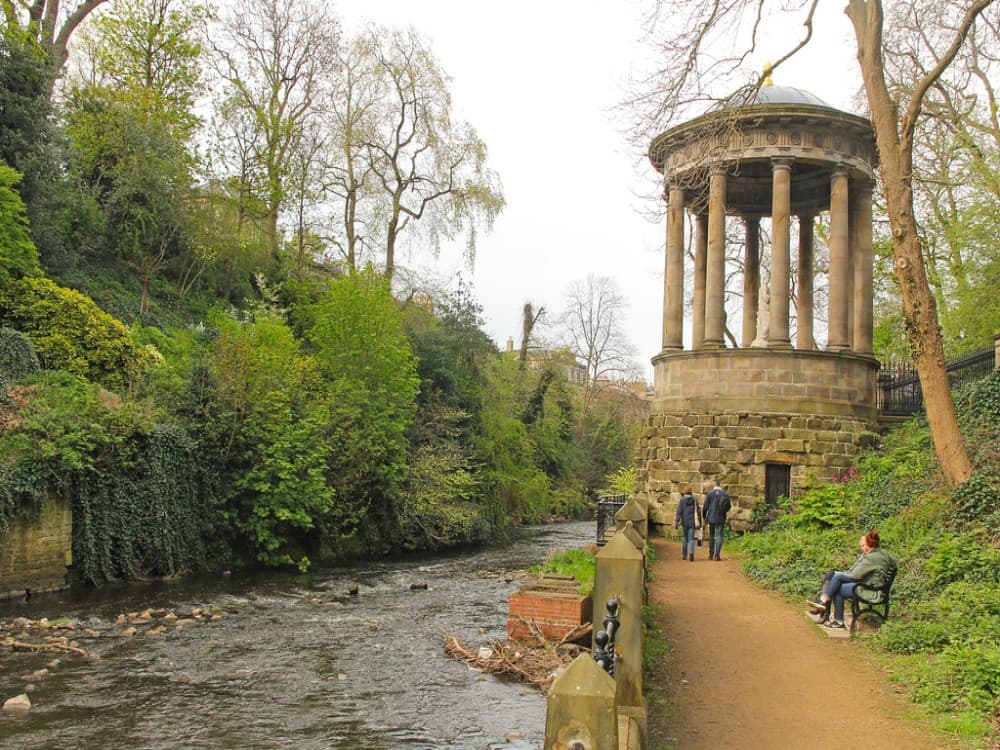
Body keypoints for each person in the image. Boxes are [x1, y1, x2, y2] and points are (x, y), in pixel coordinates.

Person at [807, 530, 897, 630]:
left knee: (837, 581)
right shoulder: (883, 553)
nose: (863, 548)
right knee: (835, 578)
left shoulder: (871, 558)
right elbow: (894, 565)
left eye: (864, 545)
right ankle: (827, 607)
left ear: (869, 544)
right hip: (872, 586)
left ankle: (828, 608)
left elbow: (855, 576)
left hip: (870, 591)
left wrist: (842, 574)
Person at [702, 478, 731, 561]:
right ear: (719, 484)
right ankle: (717, 555)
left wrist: (704, 516)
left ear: (714, 484)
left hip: (711, 517)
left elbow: (705, 507)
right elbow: (728, 506)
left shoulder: (710, 494)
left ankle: (711, 554)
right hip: (721, 517)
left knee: (711, 535)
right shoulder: (724, 494)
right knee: (719, 536)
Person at [673, 485, 702, 562]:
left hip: (685, 522)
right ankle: (691, 554)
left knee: (685, 538)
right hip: (692, 522)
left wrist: (676, 521)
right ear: (691, 491)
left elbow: (679, 512)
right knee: (691, 539)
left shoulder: (682, 500)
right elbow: (698, 512)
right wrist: (700, 523)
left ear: (685, 492)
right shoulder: (695, 500)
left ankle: (684, 555)